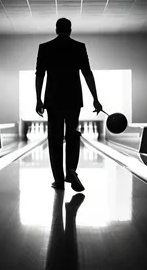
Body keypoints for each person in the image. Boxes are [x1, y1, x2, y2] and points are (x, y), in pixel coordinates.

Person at [35, 18, 102, 191]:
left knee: (55, 139)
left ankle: (58, 180)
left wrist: (38, 99)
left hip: (53, 99)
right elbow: (87, 73)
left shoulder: (45, 47)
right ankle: (71, 170)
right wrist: (95, 98)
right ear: (70, 30)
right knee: (72, 134)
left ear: (56, 29)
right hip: (73, 99)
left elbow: (40, 75)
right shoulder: (79, 47)